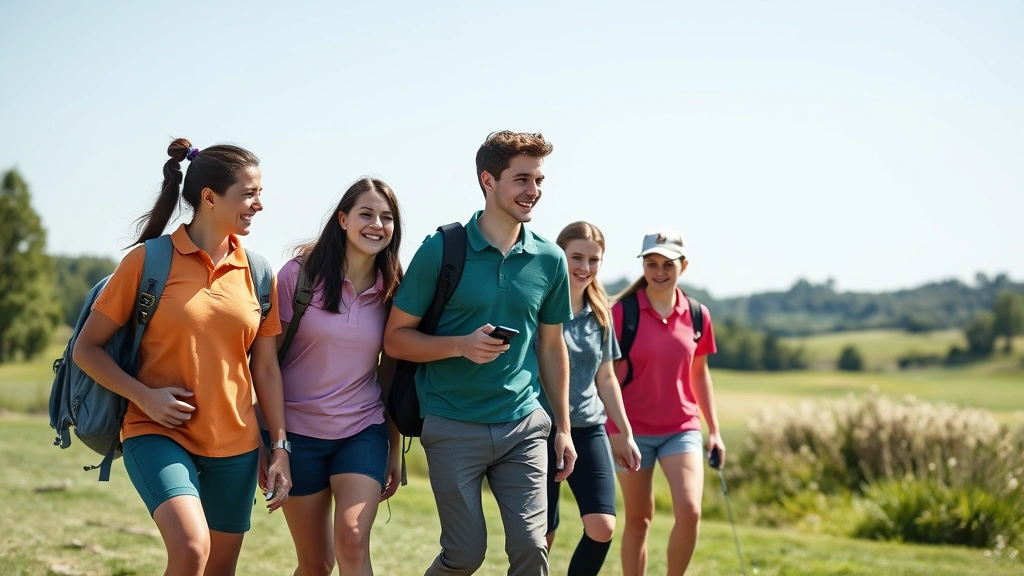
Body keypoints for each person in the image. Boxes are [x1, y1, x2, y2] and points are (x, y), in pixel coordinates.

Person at [73, 138, 291, 576]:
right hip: (155, 431)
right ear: (209, 197)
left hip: (236, 445)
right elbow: (86, 349)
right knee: (192, 549)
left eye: (260, 193)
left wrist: (279, 446)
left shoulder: (260, 272)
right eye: (249, 194)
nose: (259, 205)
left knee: (219, 568)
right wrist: (146, 397)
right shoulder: (148, 261)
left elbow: (264, 368)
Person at [383, 130, 577, 576]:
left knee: (532, 548)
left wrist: (563, 429)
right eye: (522, 179)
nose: (534, 191)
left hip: (524, 424)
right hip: (451, 423)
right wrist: (460, 345)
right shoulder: (441, 250)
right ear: (488, 181)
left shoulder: (550, 259)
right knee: (465, 555)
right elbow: (395, 339)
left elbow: (551, 346)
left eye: (539, 180)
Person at [267, 177, 404, 576]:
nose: (377, 224)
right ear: (343, 219)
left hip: (362, 430)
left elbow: (391, 374)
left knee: (351, 537)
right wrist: (274, 443)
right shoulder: (298, 276)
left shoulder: (394, 289)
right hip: (297, 434)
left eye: (387, 217)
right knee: (315, 565)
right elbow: (266, 364)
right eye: (366, 214)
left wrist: (394, 448)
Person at [609, 229, 724, 576]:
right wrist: (615, 429)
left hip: (681, 428)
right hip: (632, 431)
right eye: (651, 263)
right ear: (643, 266)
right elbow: (606, 377)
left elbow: (699, 374)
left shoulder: (698, 315)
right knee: (639, 520)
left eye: (667, 264)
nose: (659, 271)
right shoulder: (621, 314)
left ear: (683, 266)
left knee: (690, 511)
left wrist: (715, 431)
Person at [542, 221, 642, 576]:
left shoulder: (601, 312)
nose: (585, 267)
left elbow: (607, 376)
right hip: (541, 431)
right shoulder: (538, 306)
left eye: (594, 259)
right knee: (543, 534)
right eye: (576, 257)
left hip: (588, 428)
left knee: (602, 526)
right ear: (559, 255)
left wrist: (625, 433)